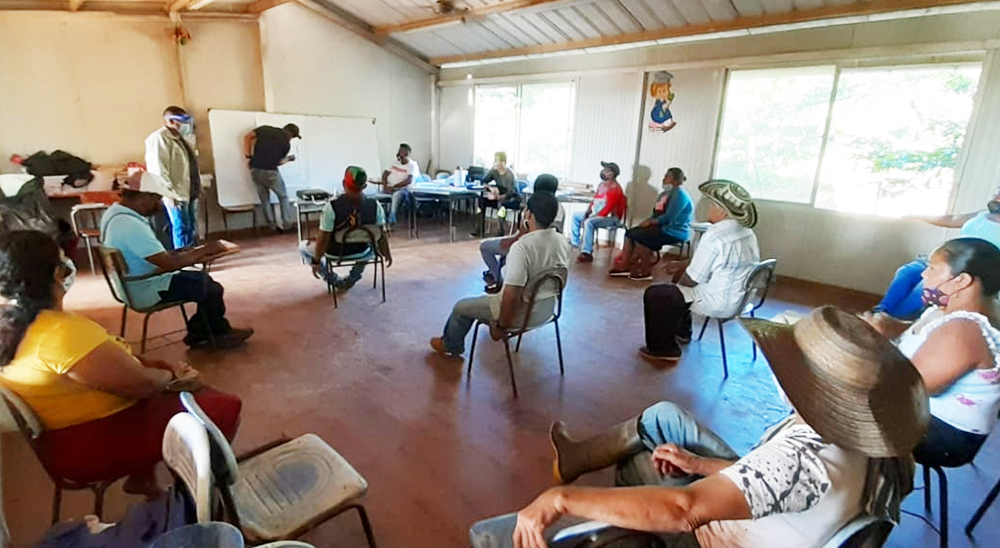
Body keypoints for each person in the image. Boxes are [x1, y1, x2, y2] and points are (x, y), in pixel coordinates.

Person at [479, 306, 927, 548]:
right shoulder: (871, 443)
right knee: (649, 451)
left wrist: (558, 499)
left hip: (725, 537)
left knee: (494, 535)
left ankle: (626, 530)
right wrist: (698, 462)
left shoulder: (803, 456)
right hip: (774, 520)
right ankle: (623, 518)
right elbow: (773, 483)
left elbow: (683, 510)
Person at [0, 230, 243, 498]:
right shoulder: (58, 333)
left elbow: (104, 370)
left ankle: (143, 478)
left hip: (60, 432)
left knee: (166, 382)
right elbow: (142, 385)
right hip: (91, 442)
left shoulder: (13, 323)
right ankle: (197, 495)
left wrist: (153, 368)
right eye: (63, 260)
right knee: (223, 407)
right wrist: (172, 377)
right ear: (57, 274)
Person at [863, 237, 1000, 467]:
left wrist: (863, 353)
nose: (924, 275)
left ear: (962, 281)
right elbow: (925, 334)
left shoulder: (963, 330)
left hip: (942, 434)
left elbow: (911, 386)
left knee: (830, 406)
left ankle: (856, 491)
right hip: (925, 415)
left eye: (932, 269)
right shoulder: (951, 309)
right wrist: (893, 327)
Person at [100, 173, 253, 349]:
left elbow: (149, 254)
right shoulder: (130, 225)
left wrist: (179, 252)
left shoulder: (113, 214)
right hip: (145, 289)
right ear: (144, 197)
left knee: (202, 281)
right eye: (157, 199)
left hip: (129, 285)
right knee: (209, 287)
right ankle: (216, 334)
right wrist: (205, 249)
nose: (159, 205)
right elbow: (169, 265)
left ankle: (199, 332)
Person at [431, 192, 570, 357]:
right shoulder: (562, 241)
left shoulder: (522, 247)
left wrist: (501, 326)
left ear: (528, 214)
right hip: (547, 311)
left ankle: (451, 344)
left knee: (461, 307)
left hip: (522, 315)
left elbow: (511, 295)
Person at [641, 180, 759, 362]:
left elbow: (692, 278)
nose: (707, 207)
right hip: (742, 299)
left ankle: (664, 349)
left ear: (722, 210)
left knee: (657, 294)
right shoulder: (746, 232)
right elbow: (721, 262)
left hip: (720, 302)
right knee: (677, 285)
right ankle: (682, 331)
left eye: (711, 204)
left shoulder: (715, 235)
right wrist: (683, 266)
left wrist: (675, 292)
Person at [873, 188, 1000, 320]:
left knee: (924, 284)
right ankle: (881, 311)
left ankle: (893, 320)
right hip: (947, 259)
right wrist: (916, 215)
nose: (997, 196)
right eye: (997, 192)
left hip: (962, 270)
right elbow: (951, 219)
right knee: (908, 271)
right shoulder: (982, 215)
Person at [299, 166, 393, 290]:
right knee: (372, 244)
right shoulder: (375, 206)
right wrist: (387, 253)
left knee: (303, 246)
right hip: (362, 251)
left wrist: (316, 261)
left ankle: (333, 280)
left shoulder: (331, 207)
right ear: (364, 186)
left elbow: (323, 238)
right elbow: (381, 235)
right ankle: (353, 278)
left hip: (336, 252)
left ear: (344, 183)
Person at [479, 174, 564, 294]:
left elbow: (522, 237)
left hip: (526, 245)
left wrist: (509, 242)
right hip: (546, 251)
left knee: (485, 246)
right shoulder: (559, 209)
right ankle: (498, 272)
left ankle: (498, 279)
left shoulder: (534, 207)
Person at [610, 167, 692, 281]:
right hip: (660, 227)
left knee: (640, 236)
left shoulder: (680, 195)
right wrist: (647, 222)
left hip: (674, 231)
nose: (664, 179)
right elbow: (656, 215)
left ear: (675, 180)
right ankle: (625, 265)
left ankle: (645, 270)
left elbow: (669, 217)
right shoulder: (664, 195)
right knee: (631, 232)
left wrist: (650, 222)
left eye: (667, 176)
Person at [144, 106, 201, 250]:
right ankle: (183, 259)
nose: (185, 125)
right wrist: (168, 193)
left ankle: (191, 256)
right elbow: (158, 169)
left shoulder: (181, 139)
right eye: (182, 121)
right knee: (180, 227)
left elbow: (190, 165)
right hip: (175, 193)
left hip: (188, 191)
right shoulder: (159, 138)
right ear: (170, 121)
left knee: (190, 227)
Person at [243, 123, 301, 233]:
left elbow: (247, 137)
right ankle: (287, 225)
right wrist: (288, 159)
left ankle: (271, 227)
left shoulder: (265, 129)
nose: (291, 140)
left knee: (265, 199)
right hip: (271, 172)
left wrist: (248, 156)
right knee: (283, 197)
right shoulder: (285, 145)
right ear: (289, 134)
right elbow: (278, 162)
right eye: (292, 137)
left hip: (254, 169)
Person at [569, 162, 626, 263]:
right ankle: (575, 244)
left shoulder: (615, 189)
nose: (603, 172)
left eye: (607, 171)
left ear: (613, 174)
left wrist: (588, 218)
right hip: (597, 215)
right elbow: (593, 203)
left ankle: (586, 252)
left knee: (588, 222)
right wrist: (587, 213)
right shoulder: (601, 186)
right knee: (576, 216)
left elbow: (607, 210)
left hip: (611, 218)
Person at [473, 152, 521, 237]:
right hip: (499, 196)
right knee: (481, 201)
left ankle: (501, 232)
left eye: (499, 161)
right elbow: (483, 181)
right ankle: (479, 230)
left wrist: (498, 197)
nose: (496, 163)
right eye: (495, 160)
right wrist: (490, 188)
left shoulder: (510, 174)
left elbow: (511, 192)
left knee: (501, 204)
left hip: (512, 199)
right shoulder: (494, 171)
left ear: (504, 162)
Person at [382, 143, 420, 226]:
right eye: (399, 151)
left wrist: (394, 186)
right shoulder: (394, 163)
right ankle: (381, 220)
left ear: (407, 154)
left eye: (402, 152)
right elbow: (384, 175)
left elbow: (409, 180)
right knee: (376, 199)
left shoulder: (412, 165)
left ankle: (391, 220)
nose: (400, 154)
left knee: (396, 196)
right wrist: (385, 186)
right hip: (389, 188)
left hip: (403, 190)